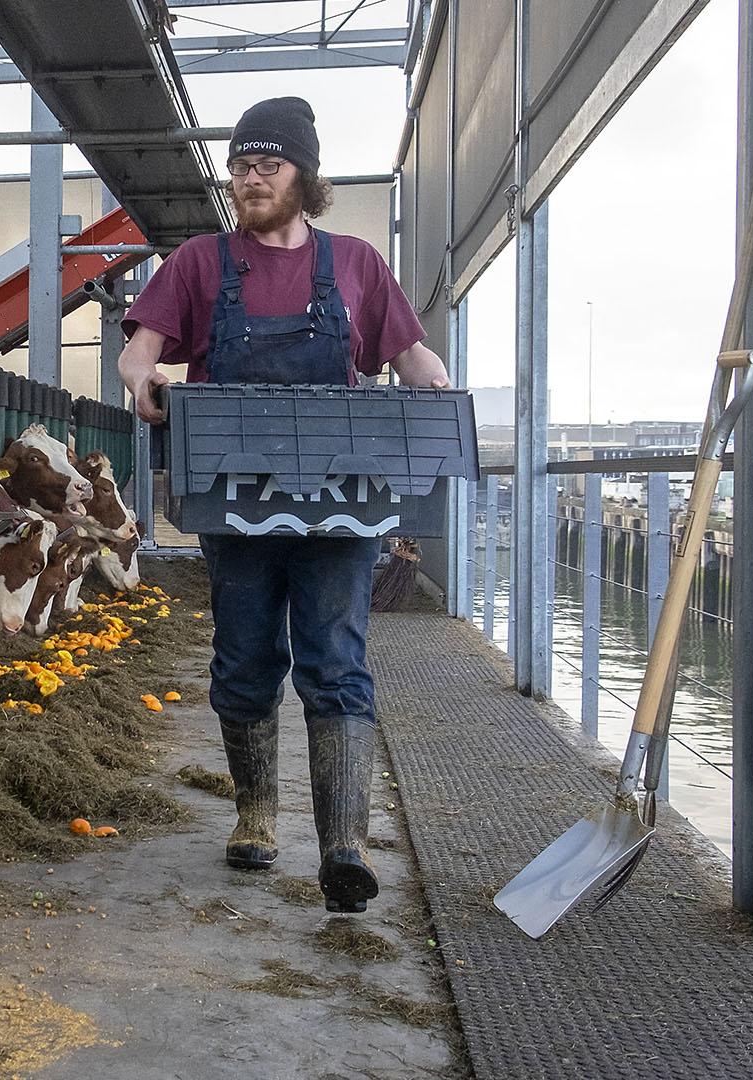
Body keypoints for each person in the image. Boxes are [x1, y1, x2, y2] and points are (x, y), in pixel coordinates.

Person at [116, 96, 449, 914]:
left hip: (339, 505)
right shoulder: (199, 262)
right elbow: (141, 350)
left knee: (335, 659)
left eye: (268, 165)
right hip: (236, 503)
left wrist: (440, 396)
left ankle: (344, 844)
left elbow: (412, 361)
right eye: (240, 166)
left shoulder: (357, 265)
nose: (251, 179)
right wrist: (142, 378)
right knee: (244, 659)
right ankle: (256, 813)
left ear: (305, 175)